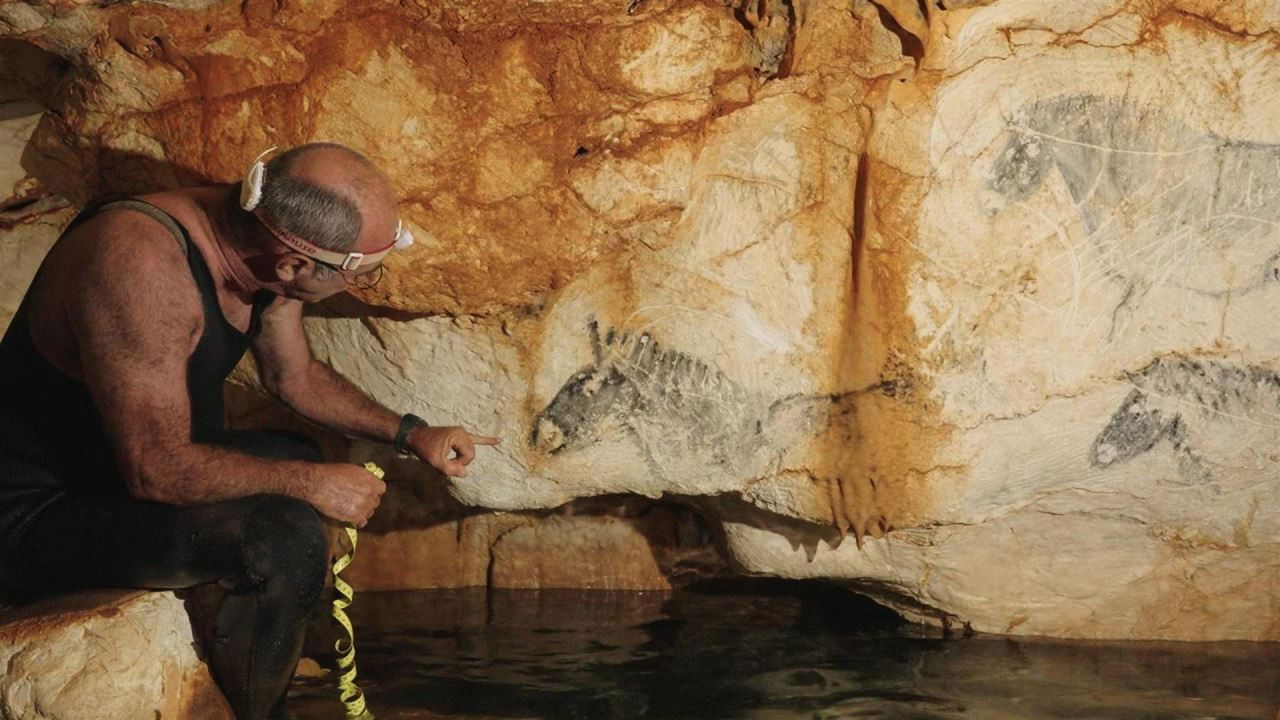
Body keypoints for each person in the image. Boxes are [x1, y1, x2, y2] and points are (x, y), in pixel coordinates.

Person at [0, 142, 501, 719]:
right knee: (281, 535)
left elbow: (296, 377)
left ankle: (239, 653)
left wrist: (413, 435)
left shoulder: (260, 246)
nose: (365, 283)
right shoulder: (141, 268)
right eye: (362, 274)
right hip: (36, 515)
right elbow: (156, 468)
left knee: (295, 455)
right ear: (293, 262)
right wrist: (311, 487)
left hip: (122, 473)